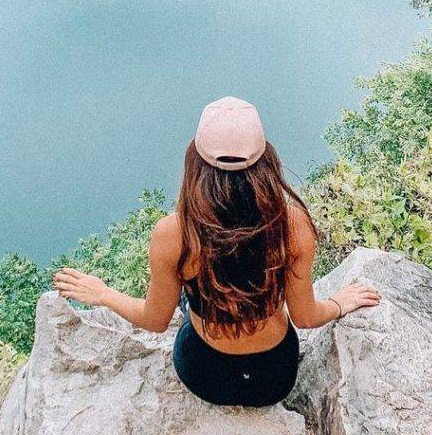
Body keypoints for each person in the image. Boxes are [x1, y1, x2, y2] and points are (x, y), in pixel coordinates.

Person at [54, 96, 380, 407]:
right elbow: (306, 318)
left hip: (204, 375)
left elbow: (155, 320)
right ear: (266, 158)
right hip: (275, 379)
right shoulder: (291, 225)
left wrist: (103, 294)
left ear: (194, 161)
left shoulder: (175, 232)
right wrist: (340, 303)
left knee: (186, 297)